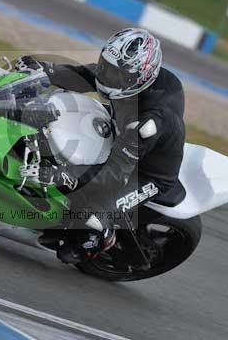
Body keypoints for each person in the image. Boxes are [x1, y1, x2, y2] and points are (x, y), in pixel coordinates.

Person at [15, 28, 186, 263]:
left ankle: (101, 238)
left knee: (91, 215)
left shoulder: (150, 122)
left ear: (139, 77)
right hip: (122, 132)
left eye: (114, 74)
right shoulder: (128, 76)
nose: (106, 77)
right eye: (106, 66)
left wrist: (62, 176)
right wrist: (41, 69)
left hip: (147, 172)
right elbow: (83, 75)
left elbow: (116, 174)